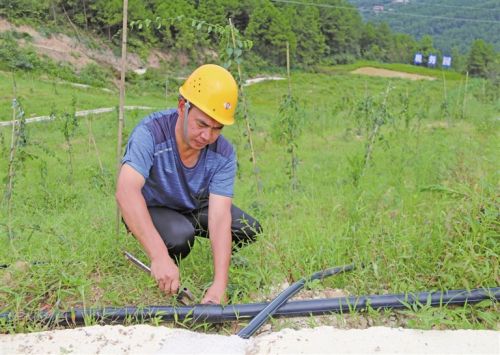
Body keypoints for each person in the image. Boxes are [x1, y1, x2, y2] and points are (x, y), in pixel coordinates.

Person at [116, 64, 262, 304]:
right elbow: (126, 192)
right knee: (180, 238)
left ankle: (210, 258)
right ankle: (163, 257)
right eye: (202, 124)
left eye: (217, 128)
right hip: (155, 207)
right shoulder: (150, 134)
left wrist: (219, 285)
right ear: (183, 106)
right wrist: (160, 256)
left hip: (192, 205)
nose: (207, 136)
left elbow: (219, 216)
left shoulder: (223, 153)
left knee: (247, 228)